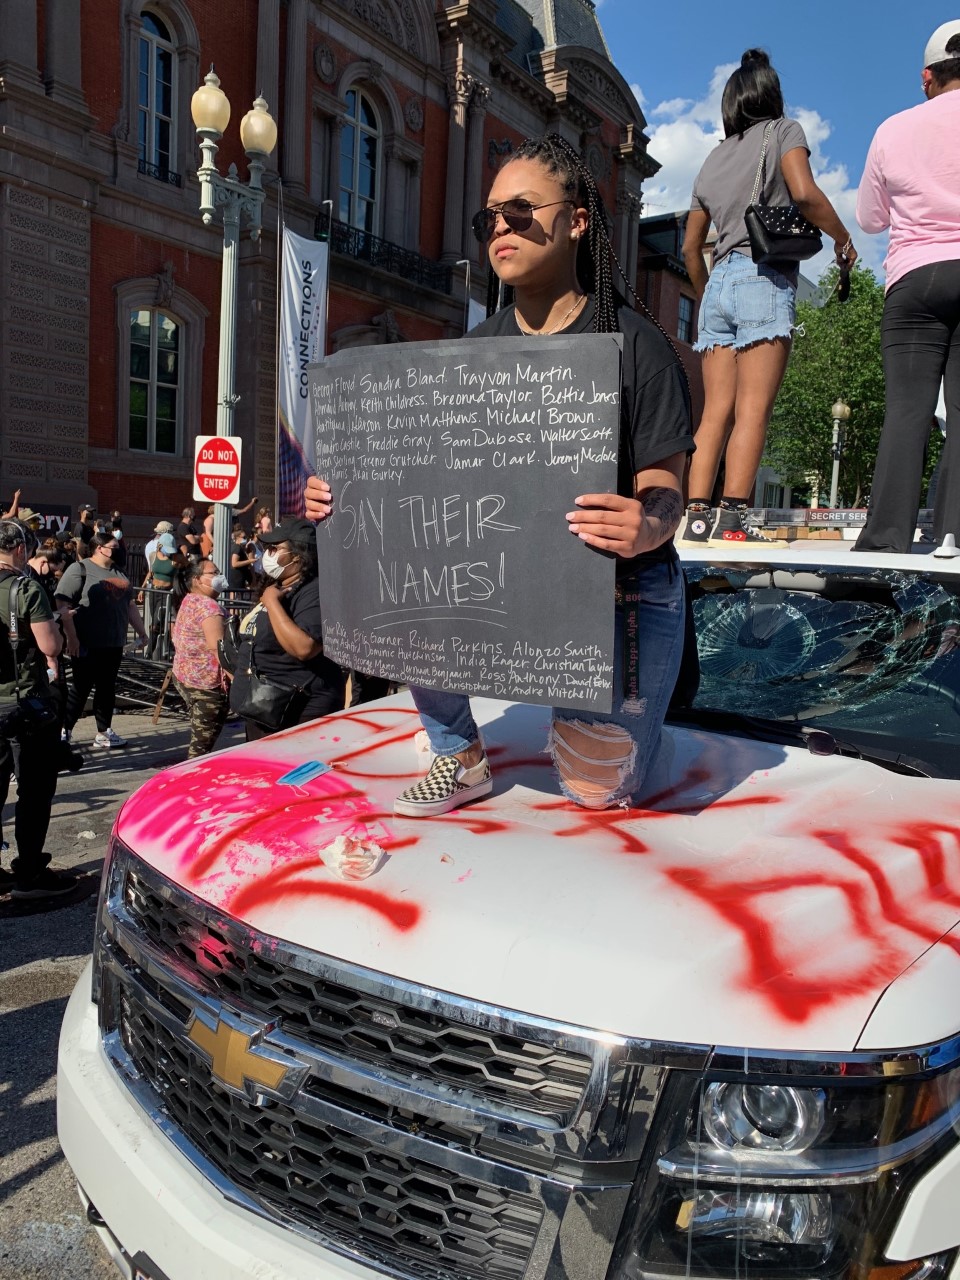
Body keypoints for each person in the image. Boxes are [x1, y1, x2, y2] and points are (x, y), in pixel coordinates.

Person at [307, 132, 693, 817]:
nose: (500, 230)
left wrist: (647, 526)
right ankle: (457, 753)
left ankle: (649, 727)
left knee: (596, 789)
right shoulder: (470, 353)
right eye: (490, 219)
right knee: (410, 583)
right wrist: (339, 497)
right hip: (505, 584)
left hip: (620, 597)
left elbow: (666, 488)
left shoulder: (637, 345)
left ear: (576, 220)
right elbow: (417, 489)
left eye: (521, 212)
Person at [679, 49, 856, 545]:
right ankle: (733, 519)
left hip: (717, 284)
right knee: (753, 411)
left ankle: (696, 517)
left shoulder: (712, 159)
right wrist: (843, 239)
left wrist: (707, 291)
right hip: (764, 277)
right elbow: (804, 192)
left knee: (715, 413)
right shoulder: (784, 131)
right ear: (772, 95)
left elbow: (692, 246)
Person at [854, 22, 960, 554]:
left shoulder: (893, 128)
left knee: (907, 409)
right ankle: (954, 533)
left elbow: (870, 218)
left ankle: (884, 540)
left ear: (927, 77)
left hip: (916, 274)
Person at [0, 518, 76, 899]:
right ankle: (30, 872)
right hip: (24, 701)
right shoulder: (24, 588)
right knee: (33, 789)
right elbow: (50, 648)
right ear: (19, 549)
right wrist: (61, 627)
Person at [228, 516, 346, 740]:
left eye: (275, 548)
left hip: (296, 712)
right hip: (263, 709)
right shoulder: (276, 585)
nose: (268, 554)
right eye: (267, 548)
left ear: (299, 555)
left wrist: (272, 603)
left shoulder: (314, 591)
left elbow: (304, 647)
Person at [56, 530, 148, 748]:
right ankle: (64, 730)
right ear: (100, 548)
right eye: (114, 547)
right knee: (81, 687)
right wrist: (72, 638)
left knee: (107, 688)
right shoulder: (80, 569)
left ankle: (104, 731)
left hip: (113, 641)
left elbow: (130, 605)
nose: (119, 550)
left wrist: (141, 632)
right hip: (87, 641)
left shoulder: (119, 572)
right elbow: (62, 605)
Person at [171, 558, 229, 757]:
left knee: (200, 742)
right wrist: (235, 677)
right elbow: (218, 649)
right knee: (200, 750)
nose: (219, 576)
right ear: (196, 580)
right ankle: (187, 781)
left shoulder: (190, 600)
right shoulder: (209, 608)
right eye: (213, 573)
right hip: (206, 685)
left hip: (186, 676)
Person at [141, 532, 177, 660]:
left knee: (156, 622)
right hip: (154, 592)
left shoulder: (174, 560)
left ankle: (149, 654)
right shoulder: (153, 556)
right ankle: (158, 651)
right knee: (155, 623)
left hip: (166, 593)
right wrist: (142, 589)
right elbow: (150, 573)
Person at [229, 525, 255, 594]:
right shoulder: (237, 547)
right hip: (237, 577)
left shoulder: (234, 546)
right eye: (244, 537)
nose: (245, 539)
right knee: (236, 597)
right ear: (237, 537)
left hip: (236, 577)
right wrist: (250, 561)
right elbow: (234, 563)